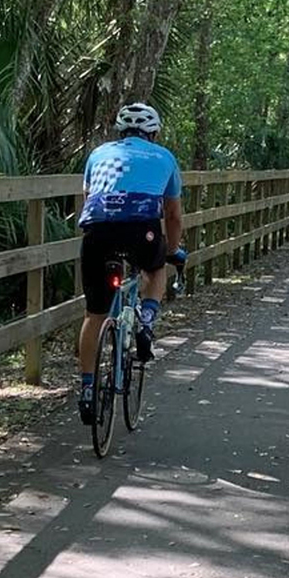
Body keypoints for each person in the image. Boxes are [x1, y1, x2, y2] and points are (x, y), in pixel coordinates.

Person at [76, 102, 185, 425]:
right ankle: (147, 320)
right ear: (154, 133)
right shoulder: (164, 157)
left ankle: (85, 389)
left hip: (98, 232)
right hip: (143, 231)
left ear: (119, 132)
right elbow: (174, 214)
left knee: (94, 314)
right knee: (154, 269)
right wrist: (173, 250)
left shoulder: (98, 154)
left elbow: (89, 198)